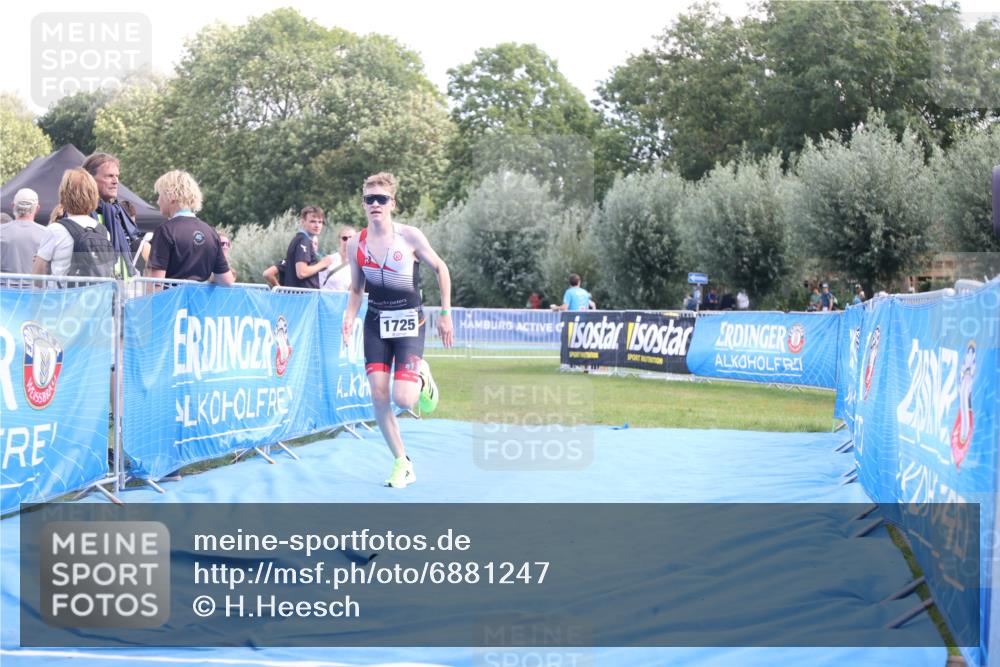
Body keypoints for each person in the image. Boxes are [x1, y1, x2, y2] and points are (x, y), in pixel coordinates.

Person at [341, 172, 453, 488]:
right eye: (369, 199)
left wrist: (446, 313)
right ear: (363, 204)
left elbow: (441, 268)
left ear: (393, 203)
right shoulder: (355, 245)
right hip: (376, 322)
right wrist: (349, 316)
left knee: (403, 399)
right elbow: (356, 288)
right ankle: (402, 462)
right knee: (378, 395)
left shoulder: (410, 237)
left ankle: (422, 375)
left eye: (382, 199)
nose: (375, 204)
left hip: (408, 323)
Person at [145, 170, 234, 285]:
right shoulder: (211, 232)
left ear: (171, 196)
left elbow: (156, 284)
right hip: (201, 302)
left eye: (160, 195)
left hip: (172, 302)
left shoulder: (165, 231)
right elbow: (227, 281)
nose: (158, 201)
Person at [33, 169, 111, 279]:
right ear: (94, 196)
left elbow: (37, 278)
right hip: (94, 295)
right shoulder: (103, 232)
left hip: (63, 295)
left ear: (64, 195)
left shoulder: (55, 230)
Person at [82, 153, 141, 276]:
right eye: (109, 176)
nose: (116, 181)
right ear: (90, 179)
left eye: (117, 176)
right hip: (93, 289)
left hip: (122, 289)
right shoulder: (78, 214)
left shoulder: (120, 214)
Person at [283, 206, 333, 289]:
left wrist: (318, 267)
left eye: (320, 222)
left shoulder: (299, 239)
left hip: (299, 297)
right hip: (303, 298)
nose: (317, 225)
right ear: (303, 222)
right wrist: (322, 264)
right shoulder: (303, 240)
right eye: (313, 221)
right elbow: (302, 272)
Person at [1, 188, 47, 277]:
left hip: (4, 288)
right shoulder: (46, 234)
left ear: (13, 206)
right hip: (33, 289)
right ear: (37, 208)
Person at [319, 224, 356, 291]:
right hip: (326, 300)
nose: (348, 241)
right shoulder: (329, 260)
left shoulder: (358, 265)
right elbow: (319, 284)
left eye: (351, 238)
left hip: (345, 300)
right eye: (344, 238)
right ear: (339, 240)